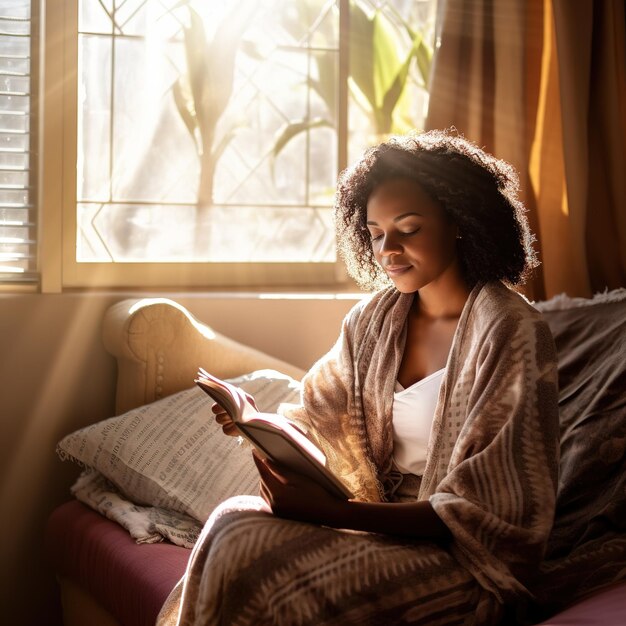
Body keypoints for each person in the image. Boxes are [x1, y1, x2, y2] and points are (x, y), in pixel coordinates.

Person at [157, 129, 560, 625]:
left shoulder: (510, 330)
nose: (388, 249)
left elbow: (487, 511)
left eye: (408, 228)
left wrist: (335, 515)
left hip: (461, 563)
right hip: (378, 527)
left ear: (459, 220)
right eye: (374, 233)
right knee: (234, 519)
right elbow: (313, 419)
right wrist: (254, 425)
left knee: (259, 569)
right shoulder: (371, 321)